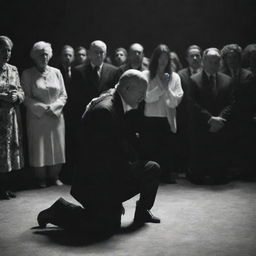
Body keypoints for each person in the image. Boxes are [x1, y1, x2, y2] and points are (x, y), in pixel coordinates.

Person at [37, 70, 161, 237]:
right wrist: (114, 200)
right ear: (127, 88)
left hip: (108, 172)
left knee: (151, 168)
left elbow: (116, 151)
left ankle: (142, 211)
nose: (144, 96)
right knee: (105, 226)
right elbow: (99, 162)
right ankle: (58, 211)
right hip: (93, 182)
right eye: (141, 92)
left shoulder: (116, 98)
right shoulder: (105, 111)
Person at [21, 41, 67, 188]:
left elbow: (63, 95)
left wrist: (53, 107)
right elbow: (25, 97)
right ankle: (40, 178)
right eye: (41, 55)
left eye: (46, 54)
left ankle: (54, 176)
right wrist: (42, 108)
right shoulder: (27, 74)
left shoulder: (57, 72)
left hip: (56, 117)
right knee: (39, 147)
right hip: (37, 118)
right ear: (34, 56)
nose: (44, 57)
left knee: (57, 147)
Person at [187, 48, 233, 185]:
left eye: (216, 61)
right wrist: (210, 119)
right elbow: (192, 104)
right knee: (198, 177)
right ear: (204, 62)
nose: (214, 64)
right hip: (202, 128)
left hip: (220, 127)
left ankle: (218, 173)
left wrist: (219, 119)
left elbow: (231, 103)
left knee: (219, 174)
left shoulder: (227, 80)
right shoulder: (193, 80)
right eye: (211, 61)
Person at [140, 44, 183, 183]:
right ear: (155, 58)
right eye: (160, 57)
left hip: (167, 119)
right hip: (150, 119)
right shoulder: (145, 75)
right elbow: (146, 98)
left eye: (166, 58)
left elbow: (175, 101)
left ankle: (165, 176)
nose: (163, 61)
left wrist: (166, 88)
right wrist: (161, 88)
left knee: (166, 150)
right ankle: (150, 177)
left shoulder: (175, 77)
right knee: (150, 150)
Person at [221, 44, 255, 180]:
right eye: (229, 57)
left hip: (243, 117)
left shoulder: (248, 75)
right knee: (226, 144)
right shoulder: (221, 74)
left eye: (235, 57)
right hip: (226, 116)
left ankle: (243, 171)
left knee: (243, 145)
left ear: (239, 58)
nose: (232, 60)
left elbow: (252, 97)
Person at [0, 36, 24, 199]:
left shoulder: (13, 69)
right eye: (3, 50)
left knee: (8, 153)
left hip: (10, 117)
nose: (6, 53)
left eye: (8, 50)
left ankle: (5, 187)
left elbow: (21, 91)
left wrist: (18, 97)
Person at [177, 45, 203, 173]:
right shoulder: (180, 75)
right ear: (187, 58)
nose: (195, 58)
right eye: (192, 56)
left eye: (197, 55)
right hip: (186, 117)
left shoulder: (207, 72)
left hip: (204, 117)